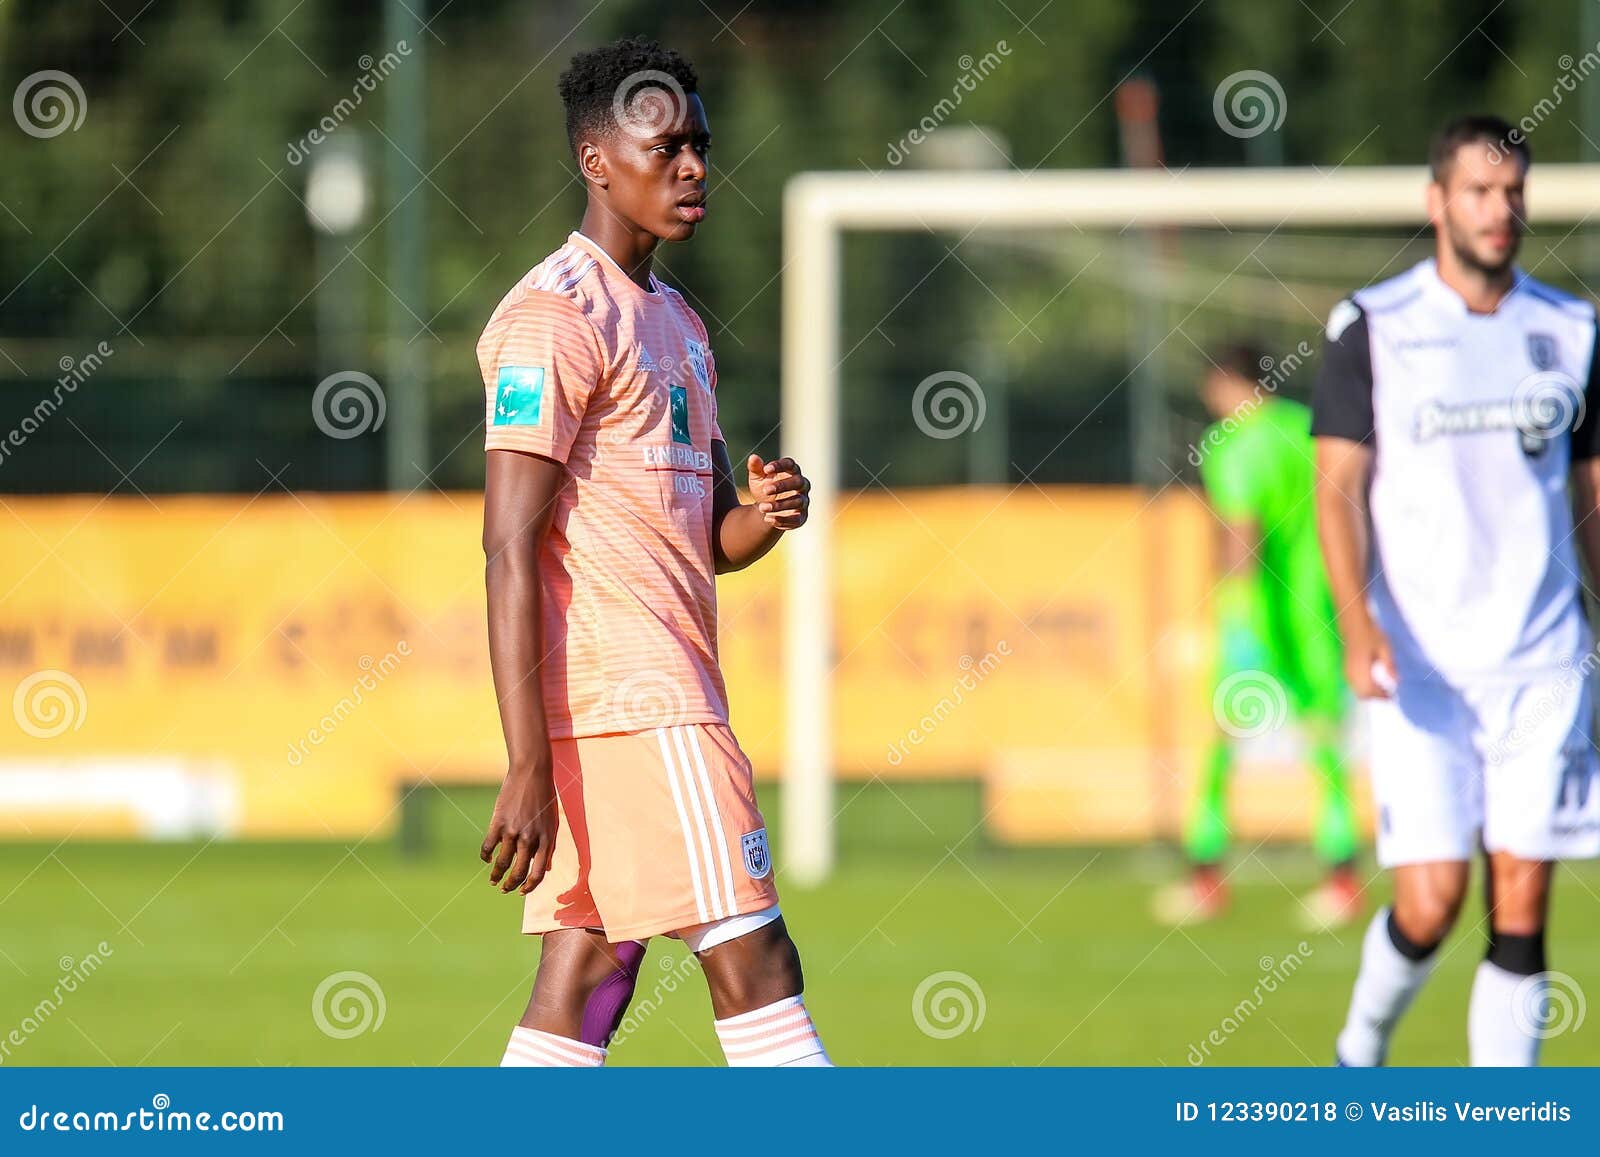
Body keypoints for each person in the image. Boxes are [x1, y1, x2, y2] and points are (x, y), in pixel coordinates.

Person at [477, 36, 828, 1067]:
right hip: (637, 703)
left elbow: (711, 534)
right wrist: (526, 760)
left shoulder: (676, 321)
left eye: (700, 145)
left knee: (588, 967)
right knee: (754, 955)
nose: (692, 167)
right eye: (665, 146)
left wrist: (764, 510)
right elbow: (506, 542)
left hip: (658, 694)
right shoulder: (556, 314)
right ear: (596, 160)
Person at [1315, 115, 1600, 1066]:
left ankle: (1499, 1119)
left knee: (1521, 893)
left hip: (1544, 656)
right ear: (1438, 201)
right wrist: (1356, 622)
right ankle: (1361, 1049)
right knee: (1430, 900)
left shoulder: (1571, 329)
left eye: (1514, 190)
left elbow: (1592, 495)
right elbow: (1338, 486)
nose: (1500, 209)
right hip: (1423, 663)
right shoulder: (1375, 326)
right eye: (1480, 191)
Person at [1154, 343, 1359, 929]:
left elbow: (1241, 531)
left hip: (1258, 612)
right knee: (1324, 740)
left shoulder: (1234, 443)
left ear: (1223, 381)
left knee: (1220, 741)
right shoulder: (1304, 428)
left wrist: (1236, 611)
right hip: (1318, 603)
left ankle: (1204, 878)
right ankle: (1342, 880)